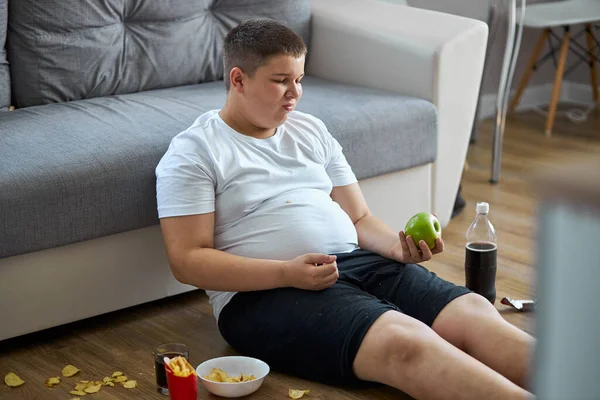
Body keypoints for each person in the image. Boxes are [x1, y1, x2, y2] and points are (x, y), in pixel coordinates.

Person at [155, 18, 535, 400]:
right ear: (238, 79)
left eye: (300, 79)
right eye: (280, 80)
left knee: (474, 312)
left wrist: (396, 247)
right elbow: (187, 260)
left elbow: (358, 218)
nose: (295, 93)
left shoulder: (310, 130)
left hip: (354, 262)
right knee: (407, 342)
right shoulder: (194, 152)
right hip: (262, 294)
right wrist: (286, 273)